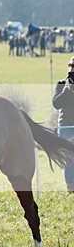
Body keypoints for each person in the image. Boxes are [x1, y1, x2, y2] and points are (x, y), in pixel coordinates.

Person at [53, 56, 74, 192]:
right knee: (69, 157)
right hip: (65, 126)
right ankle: (71, 186)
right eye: (71, 66)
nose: (72, 69)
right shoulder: (61, 84)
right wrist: (68, 90)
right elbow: (56, 103)